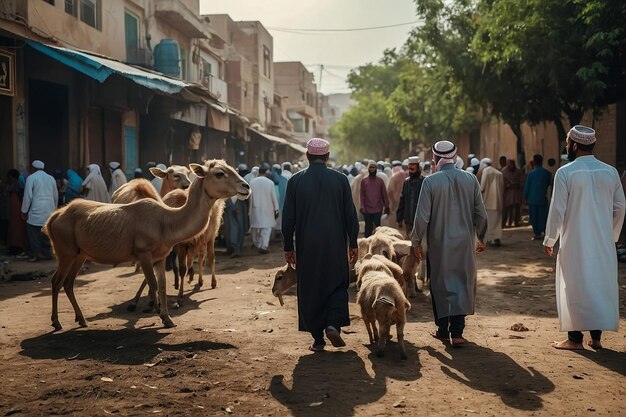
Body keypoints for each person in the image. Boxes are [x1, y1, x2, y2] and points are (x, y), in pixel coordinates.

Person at [544, 125, 625, 350]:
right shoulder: (610, 172)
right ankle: (596, 338)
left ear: (575, 145)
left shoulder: (566, 172)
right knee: (598, 285)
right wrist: (612, 236)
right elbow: (620, 207)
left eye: (568, 143)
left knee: (575, 285)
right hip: (603, 243)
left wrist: (550, 239)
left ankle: (574, 339)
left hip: (575, 242)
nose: (567, 146)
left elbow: (557, 209)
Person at [282, 137, 359, 351]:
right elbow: (350, 215)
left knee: (310, 288)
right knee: (337, 284)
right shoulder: (341, 180)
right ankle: (333, 324)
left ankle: (317, 339)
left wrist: (289, 247)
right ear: (326, 156)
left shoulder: (295, 181)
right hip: (335, 244)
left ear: (308, 156)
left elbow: (288, 218)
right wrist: (353, 242)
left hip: (308, 247)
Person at [411, 140, 487, 346]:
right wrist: (482, 236)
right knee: (462, 282)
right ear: (455, 157)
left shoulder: (430, 182)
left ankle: (442, 329)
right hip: (464, 243)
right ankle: (458, 332)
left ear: (435, 158)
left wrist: (416, 242)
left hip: (439, 243)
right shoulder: (470, 179)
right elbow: (480, 213)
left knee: (440, 284)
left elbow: (421, 217)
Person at [20, 160, 58, 262]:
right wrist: (54, 210)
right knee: (47, 233)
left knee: (33, 232)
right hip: (49, 209)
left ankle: (37, 254)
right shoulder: (51, 178)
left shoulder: (31, 178)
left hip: (36, 210)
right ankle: (48, 254)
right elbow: (55, 196)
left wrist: (24, 211)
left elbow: (27, 196)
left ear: (33, 168)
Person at [249, 164, 279, 254]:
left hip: (255, 209)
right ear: (266, 173)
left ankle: (258, 244)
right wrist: (276, 209)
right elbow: (274, 197)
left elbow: (250, 198)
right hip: (268, 209)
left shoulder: (252, 182)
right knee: (266, 229)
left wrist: (249, 210)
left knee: (255, 228)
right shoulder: (270, 182)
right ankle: (264, 246)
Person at [523, 154, 551, 240]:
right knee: (543, 215)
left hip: (532, 199)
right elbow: (549, 184)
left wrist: (525, 197)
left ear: (534, 162)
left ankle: (537, 233)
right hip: (542, 198)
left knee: (534, 216)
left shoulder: (531, 174)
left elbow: (527, 187)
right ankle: (544, 231)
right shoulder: (547, 173)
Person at [360, 160, 389, 237]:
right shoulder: (364, 181)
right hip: (367, 210)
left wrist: (387, 206)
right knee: (368, 229)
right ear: (368, 169)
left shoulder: (380, 181)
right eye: (371, 167)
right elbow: (362, 195)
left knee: (378, 229)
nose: (372, 169)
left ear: (376, 169)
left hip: (377, 209)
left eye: (373, 167)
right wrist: (362, 206)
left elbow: (384, 195)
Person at [396, 156, 423, 237]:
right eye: (409, 169)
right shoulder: (406, 182)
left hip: (420, 220)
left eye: (412, 169)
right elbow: (402, 200)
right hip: (408, 220)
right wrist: (399, 218)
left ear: (418, 169)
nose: (410, 172)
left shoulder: (424, 182)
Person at [480, 158, 504, 247]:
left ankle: (492, 239)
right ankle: (497, 238)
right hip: (498, 201)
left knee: (489, 222)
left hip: (488, 201)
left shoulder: (486, 171)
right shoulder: (499, 173)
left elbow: (482, 187)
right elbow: (502, 188)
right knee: (497, 221)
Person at [6, 169, 27, 256]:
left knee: (16, 229)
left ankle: (16, 247)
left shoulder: (16, 185)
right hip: (15, 210)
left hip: (16, 210)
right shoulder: (17, 185)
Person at [501, 159, 523, 227]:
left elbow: (522, 181)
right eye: (510, 164)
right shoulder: (503, 172)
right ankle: (504, 223)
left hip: (516, 192)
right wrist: (507, 184)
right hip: (507, 193)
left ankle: (516, 222)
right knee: (506, 209)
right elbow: (502, 182)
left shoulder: (518, 171)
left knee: (516, 209)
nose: (511, 166)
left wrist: (517, 183)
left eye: (512, 164)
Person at [387, 160, 408, 226]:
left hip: (395, 205)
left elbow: (390, 191)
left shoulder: (394, 177)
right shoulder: (409, 177)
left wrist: (392, 202)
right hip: (406, 205)